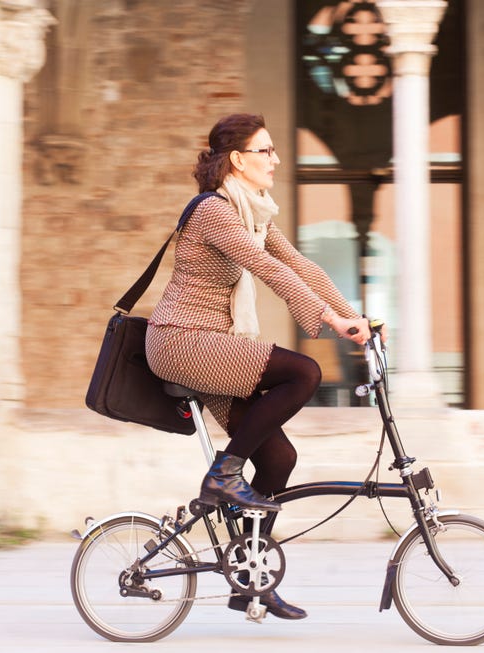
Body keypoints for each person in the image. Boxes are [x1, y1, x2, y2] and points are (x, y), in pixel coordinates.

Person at [145, 113, 370, 620]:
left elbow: (297, 264)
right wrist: (329, 321)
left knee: (277, 461)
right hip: (183, 342)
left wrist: (356, 318)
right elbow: (265, 269)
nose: (276, 160)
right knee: (304, 373)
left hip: (212, 345)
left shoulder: (252, 213)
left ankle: (249, 576)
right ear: (238, 159)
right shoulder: (214, 213)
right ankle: (224, 473)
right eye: (265, 151)